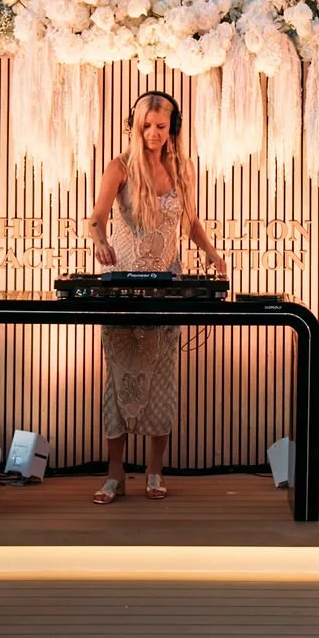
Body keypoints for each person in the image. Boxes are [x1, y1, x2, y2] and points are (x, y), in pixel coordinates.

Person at [87, 91, 227, 503]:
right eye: (145, 125)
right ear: (134, 126)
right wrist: (98, 239)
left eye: (160, 127)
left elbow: (193, 222)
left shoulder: (181, 168)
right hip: (124, 290)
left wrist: (212, 253)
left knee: (163, 381)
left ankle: (153, 471)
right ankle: (115, 475)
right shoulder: (120, 167)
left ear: (172, 130)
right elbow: (96, 218)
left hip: (167, 287)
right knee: (118, 382)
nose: (152, 133)